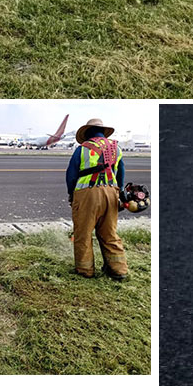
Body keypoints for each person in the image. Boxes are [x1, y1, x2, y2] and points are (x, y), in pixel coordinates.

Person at [66, 118, 129, 280]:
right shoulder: (116, 148)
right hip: (111, 193)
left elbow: (71, 175)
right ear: (103, 133)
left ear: (87, 133)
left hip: (87, 194)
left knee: (83, 234)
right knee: (109, 233)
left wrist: (72, 194)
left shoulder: (82, 149)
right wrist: (120, 192)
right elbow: (121, 172)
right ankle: (119, 270)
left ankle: (85, 270)